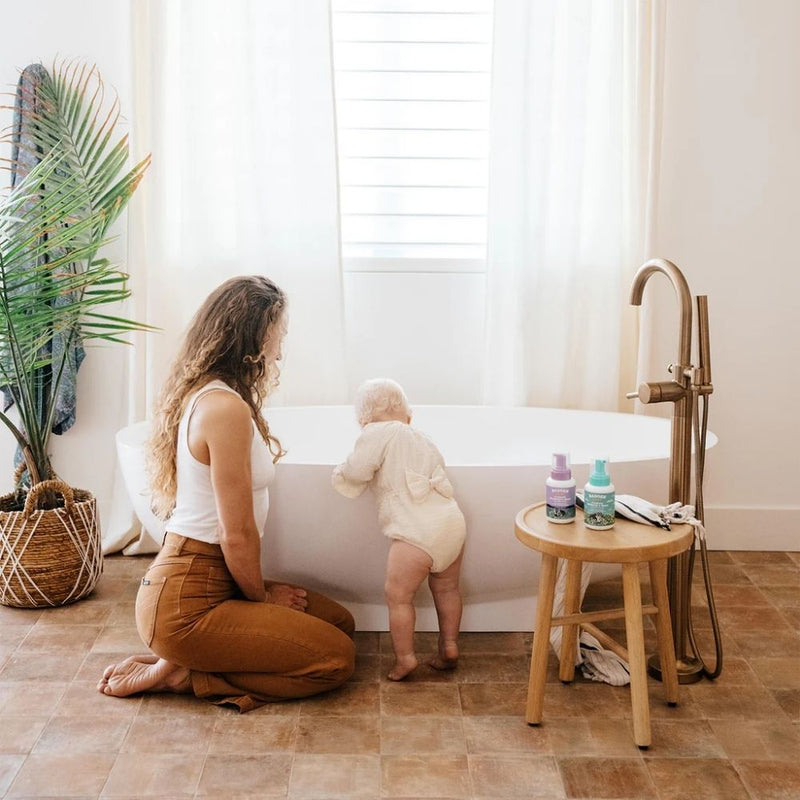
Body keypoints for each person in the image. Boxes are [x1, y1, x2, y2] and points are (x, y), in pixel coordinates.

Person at [98, 275, 355, 712]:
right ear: (253, 335)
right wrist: (262, 598)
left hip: (214, 582)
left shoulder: (217, 396)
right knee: (335, 660)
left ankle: (182, 661)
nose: (282, 342)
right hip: (186, 601)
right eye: (279, 330)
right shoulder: (224, 409)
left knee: (340, 623)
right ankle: (185, 672)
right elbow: (234, 533)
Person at [332, 378, 466, 681]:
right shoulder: (421, 437)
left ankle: (405, 658)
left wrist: (340, 474)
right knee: (447, 588)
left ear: (363, 420)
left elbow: (358, 469)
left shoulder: (374, 434)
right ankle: (449, 646)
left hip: (415, 531)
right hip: (450, 521)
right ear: (408, 415)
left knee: (398, 596)